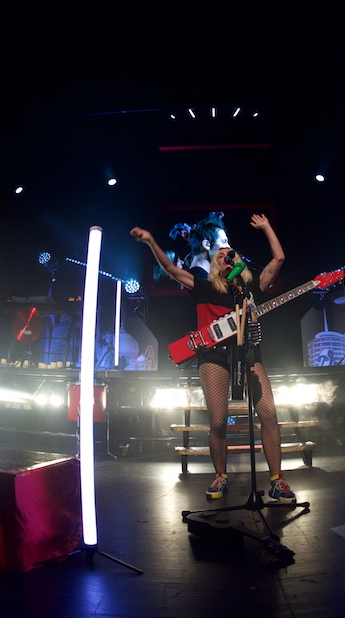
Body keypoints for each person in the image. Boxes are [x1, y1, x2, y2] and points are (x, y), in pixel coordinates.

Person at [131, 214, 297, 504]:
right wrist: (150, 242)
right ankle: (220, 475)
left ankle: (276, 480)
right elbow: (170, 269)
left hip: (248, 354)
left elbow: (279, 258)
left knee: (269, 414)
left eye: (230, 254)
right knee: (218, 421)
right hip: (213, 357)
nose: (225, 256)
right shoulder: (203, 286)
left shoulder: (251, 288)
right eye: (220, 254)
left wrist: (268, 226)